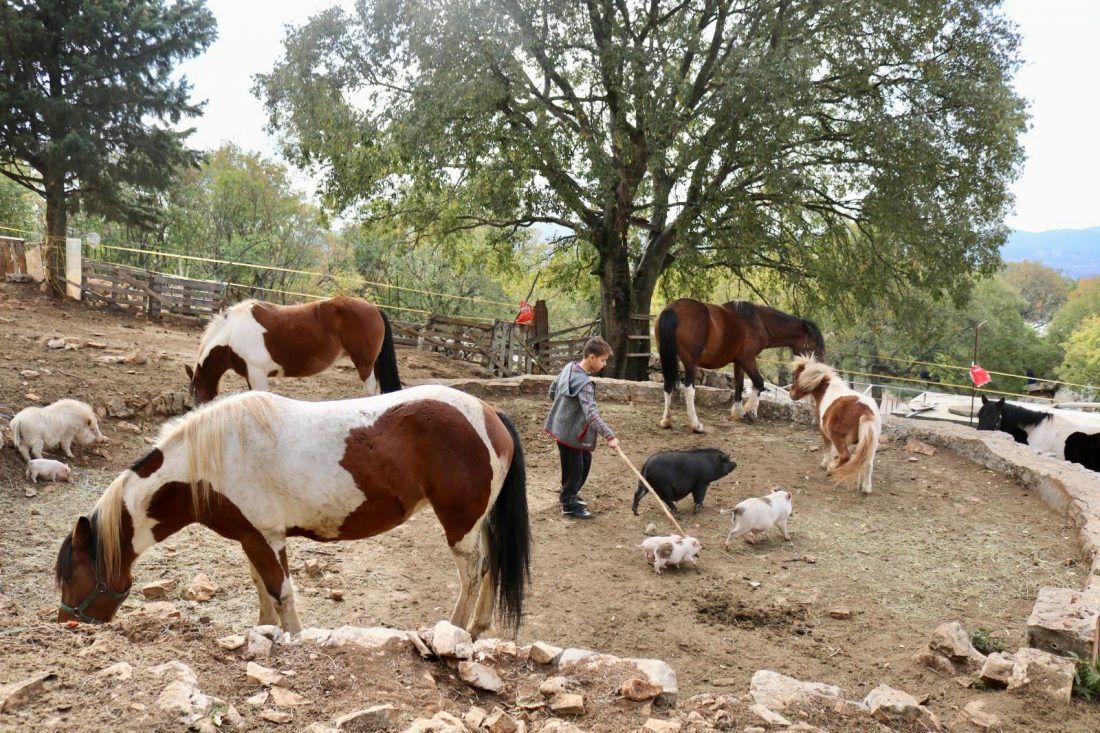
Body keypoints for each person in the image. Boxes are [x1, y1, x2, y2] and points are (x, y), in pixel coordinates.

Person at [545, 337, 620, 518]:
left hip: (562, 428)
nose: (604, 364)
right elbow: (592, 414)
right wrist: (610, 436)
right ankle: (568, 504)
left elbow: (552, 390)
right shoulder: (585, 384)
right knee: (575, 469)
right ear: (592, 357)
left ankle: (570, 494)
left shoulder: (569, 367)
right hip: (570, 433)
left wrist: (562, 410)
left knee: (584, 461)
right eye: (603, 360)